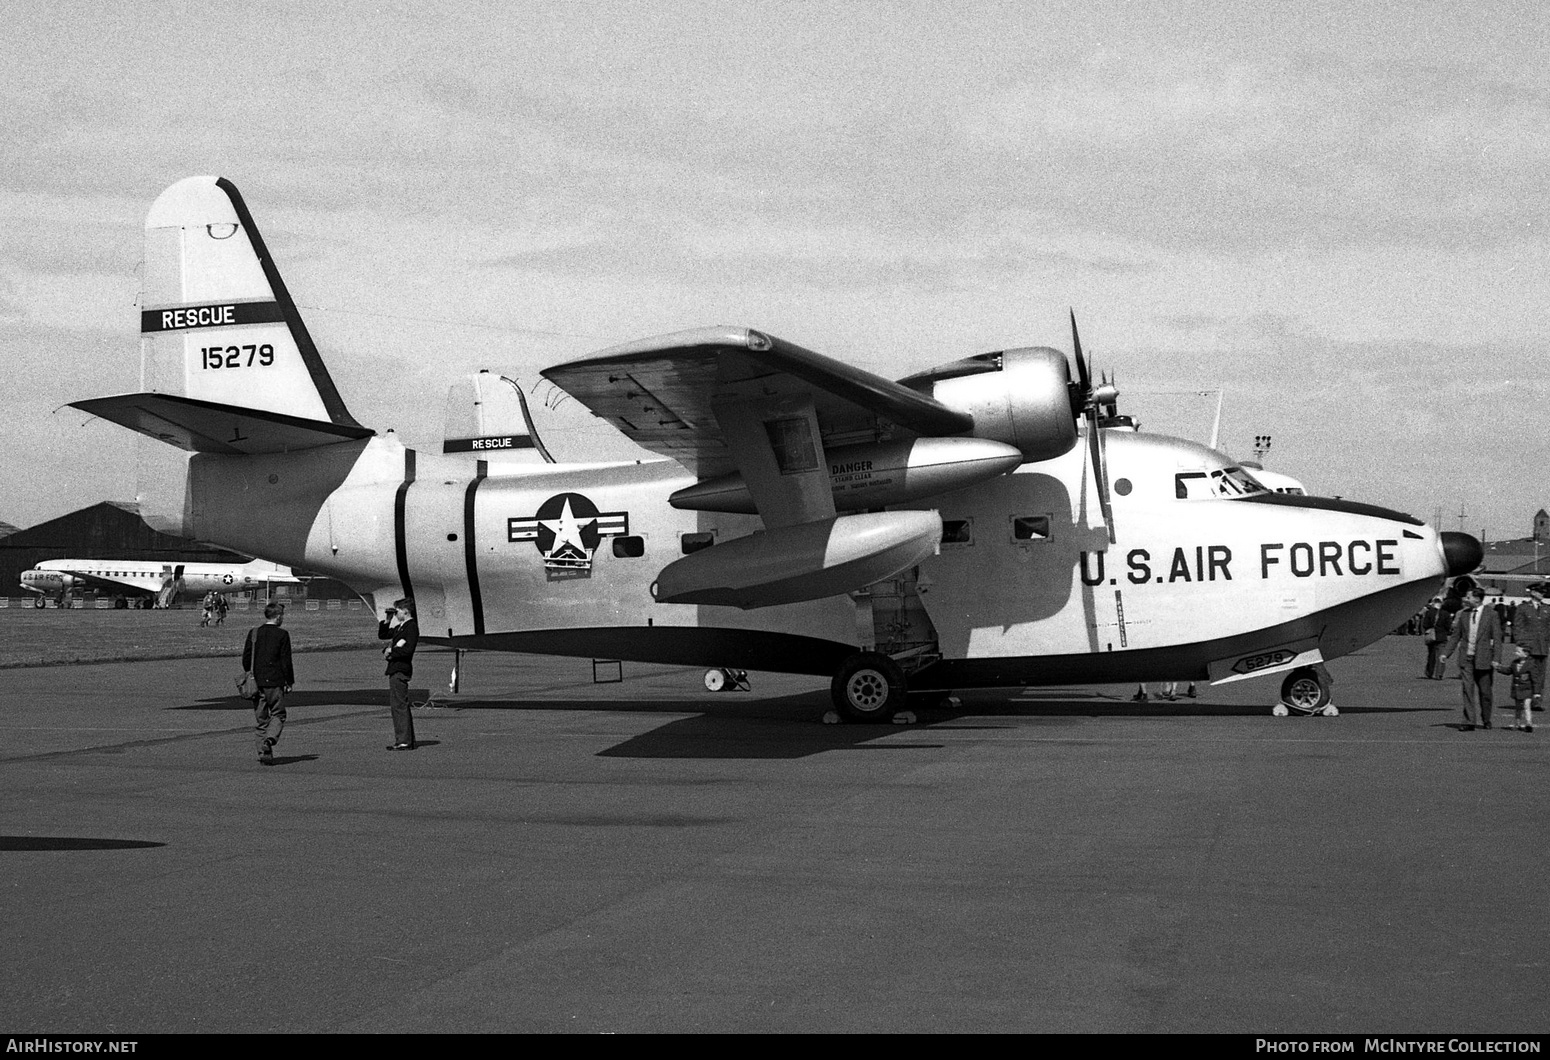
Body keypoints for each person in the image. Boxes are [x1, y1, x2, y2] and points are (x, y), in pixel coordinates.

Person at [1442, 587, 1504, 731]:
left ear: (1477, 599)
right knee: (1467, 690)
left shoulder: (1492, 614)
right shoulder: (1464, 615)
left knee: (1485, 692)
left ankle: (1486, 718)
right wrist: (1446, 653)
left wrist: (1496, 659)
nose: (1465, 599)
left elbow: (1497, 638)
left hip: (1484, 659)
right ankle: (1469, 721)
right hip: (1466, 658)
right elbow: (1456, 636)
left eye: (1468, 597)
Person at [243, 602, 294, 762]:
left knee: (261, 719)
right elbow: (286, 661)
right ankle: (270, 739)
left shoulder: (254, 633)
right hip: (274, 680)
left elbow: (246, 659)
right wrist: (289, 681)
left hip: (256, 681)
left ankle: (264, 753)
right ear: (278, 616)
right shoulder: (282, 634)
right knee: (278, 713)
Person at [379, 597, 419, 750]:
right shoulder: (400, 627)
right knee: (399, 705)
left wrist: (392, 651)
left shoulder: (411, 627)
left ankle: (404, 740)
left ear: (406, 611)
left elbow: (408, 650)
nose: (396, 614)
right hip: (395, 668)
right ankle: (407, 739)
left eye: (397, 611)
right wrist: (387, 619)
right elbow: (383, 635)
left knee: (399, 706)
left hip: (400, 669)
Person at [1510, 583, 1550, 714]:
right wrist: (1520, 644)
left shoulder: (1546, 608)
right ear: (1532, 592)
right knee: (1526, 675)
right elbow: (1518, 626)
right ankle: (1525, 698)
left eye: (1543, 592)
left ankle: (1537, 701)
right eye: (1539, 591)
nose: (1542, 594)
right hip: (1528, 647)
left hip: (1542, 646)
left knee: (1540, 675)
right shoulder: (1523, 608)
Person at [1499, 645, 1536, 733]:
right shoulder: (1514, 663)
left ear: (1526, 654)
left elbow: (1535, 678)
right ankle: (1517, 723)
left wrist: (1537, 692)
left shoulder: (1531, 664)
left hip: (1527, 689)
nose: (1516, 653)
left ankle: (1528, 723)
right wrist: (1499, 668)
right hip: (1518, 689)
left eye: (1518, 652)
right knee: (1518, 707)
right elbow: (1508, 671)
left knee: (1527, 706)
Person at [1419, 596, 1446, 678]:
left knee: (1431, 655)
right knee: (1441, 655)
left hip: (1431, 636)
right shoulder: (1445, 613)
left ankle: (1429, 672)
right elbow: (1448, 625)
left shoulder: (1429, 612)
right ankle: (1439, 673)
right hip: (1442, 636)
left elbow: (1425, 624)